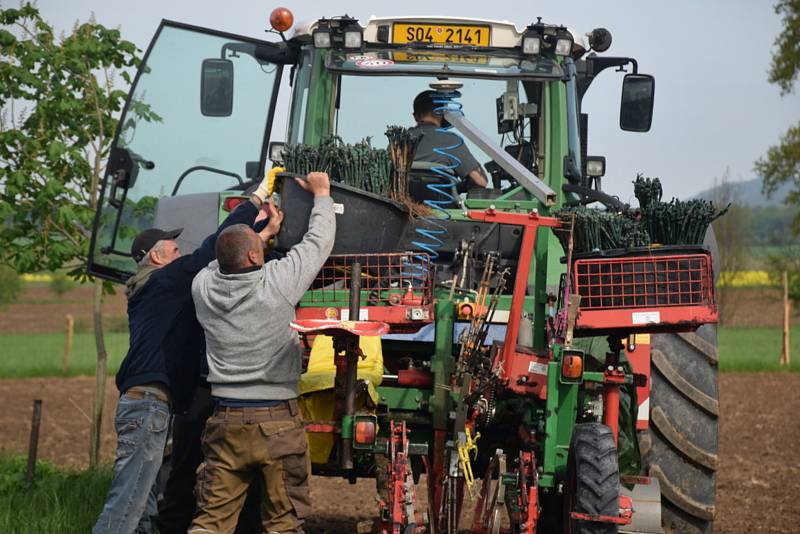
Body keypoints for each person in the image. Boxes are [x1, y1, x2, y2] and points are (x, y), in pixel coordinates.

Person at [93, 172, 280, 534]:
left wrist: (262, 237)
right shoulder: (166, 281)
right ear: (158, 257)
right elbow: (215, 249)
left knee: (145, 509)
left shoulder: (154, 289)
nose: (181, 253)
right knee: (127, 506)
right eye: (174, 250)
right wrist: (256, 199)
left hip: (146, 404)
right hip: (148, 405)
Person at [189, 172, 335, 533]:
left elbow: (220, 258)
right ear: (256, 255)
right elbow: (318, 242)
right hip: (277, 424)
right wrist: (322, 194)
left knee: (210, 523)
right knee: (283, 524)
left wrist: (261, 234)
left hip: (225, 422)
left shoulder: (202, 288)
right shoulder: (277, 284)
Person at [410, 89, 489, 189]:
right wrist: (458, 187)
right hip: (441, 203)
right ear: (444, 114)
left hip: (401, 203)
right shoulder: (452, 141)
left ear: (415, 116)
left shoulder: (397, 144)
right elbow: (481, 181)